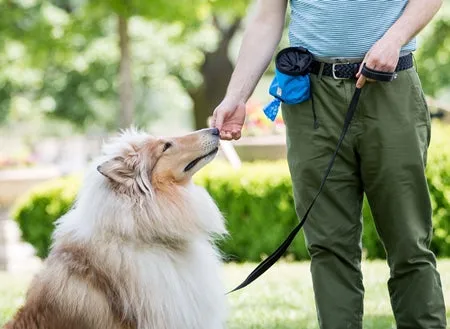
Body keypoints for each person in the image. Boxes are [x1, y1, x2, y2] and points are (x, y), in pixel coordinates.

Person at [211, 1, 447, 328]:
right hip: (311, 99)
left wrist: (395, 38)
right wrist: (236, 96)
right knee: (329, 248)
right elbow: (266, 19)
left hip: (390, 84)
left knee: (409, 243)